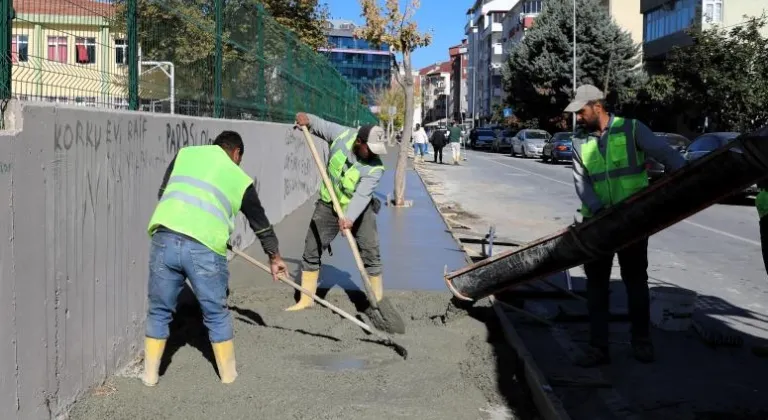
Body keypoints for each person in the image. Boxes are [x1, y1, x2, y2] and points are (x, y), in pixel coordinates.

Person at [142, 131, 288, 386]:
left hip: (165, 237)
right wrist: (274, 257)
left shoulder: (185, 154)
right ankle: (229, 377)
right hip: (204, 247)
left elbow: (164, 193)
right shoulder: (238, 177)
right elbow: (260, 223)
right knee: (216, 313)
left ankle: (149, 376)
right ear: (236, 153)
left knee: (158, 310)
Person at [566, 84, 685, 366]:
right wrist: (598, 210)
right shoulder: (579, 142)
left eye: (581, 112)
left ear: (597, 107)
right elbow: (581, 183)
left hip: (633, 221)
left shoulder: (632, 129)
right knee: (596, 287)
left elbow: (667, 155)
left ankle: (641, 342)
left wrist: (684, 180)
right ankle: (598, 348)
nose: (578, 118)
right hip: (597, 223)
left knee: (635, 283)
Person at [286, 112, 388, 312]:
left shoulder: (375, 169)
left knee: (370, 252)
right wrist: (308, 120)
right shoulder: (342, 135)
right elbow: (320, 125)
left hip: (360, 209)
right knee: (311, 248)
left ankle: (377, 303)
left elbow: (362, 195)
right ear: (359, 142)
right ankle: (306, 299)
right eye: (371, 149)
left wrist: (349, 217)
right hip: (328, 205)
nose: (375, 154)